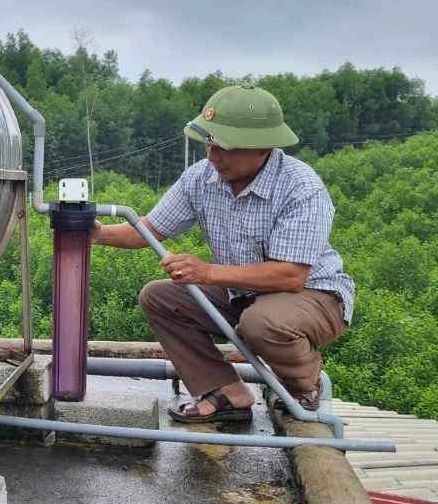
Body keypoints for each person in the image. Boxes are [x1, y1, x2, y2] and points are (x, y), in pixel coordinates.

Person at [91, 83, 353, 423]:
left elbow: (291, 274)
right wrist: (97, 234)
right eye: (209, 145)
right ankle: (227, 390)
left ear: (262, 147)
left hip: (313, 295)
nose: (213, 157)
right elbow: (148, 229)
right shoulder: (201, 178)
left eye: (224, 148)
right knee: (158, 297)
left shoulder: (300, 187)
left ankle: (302, 384)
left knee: (261, 323)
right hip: (244, 294)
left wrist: (207, 272)